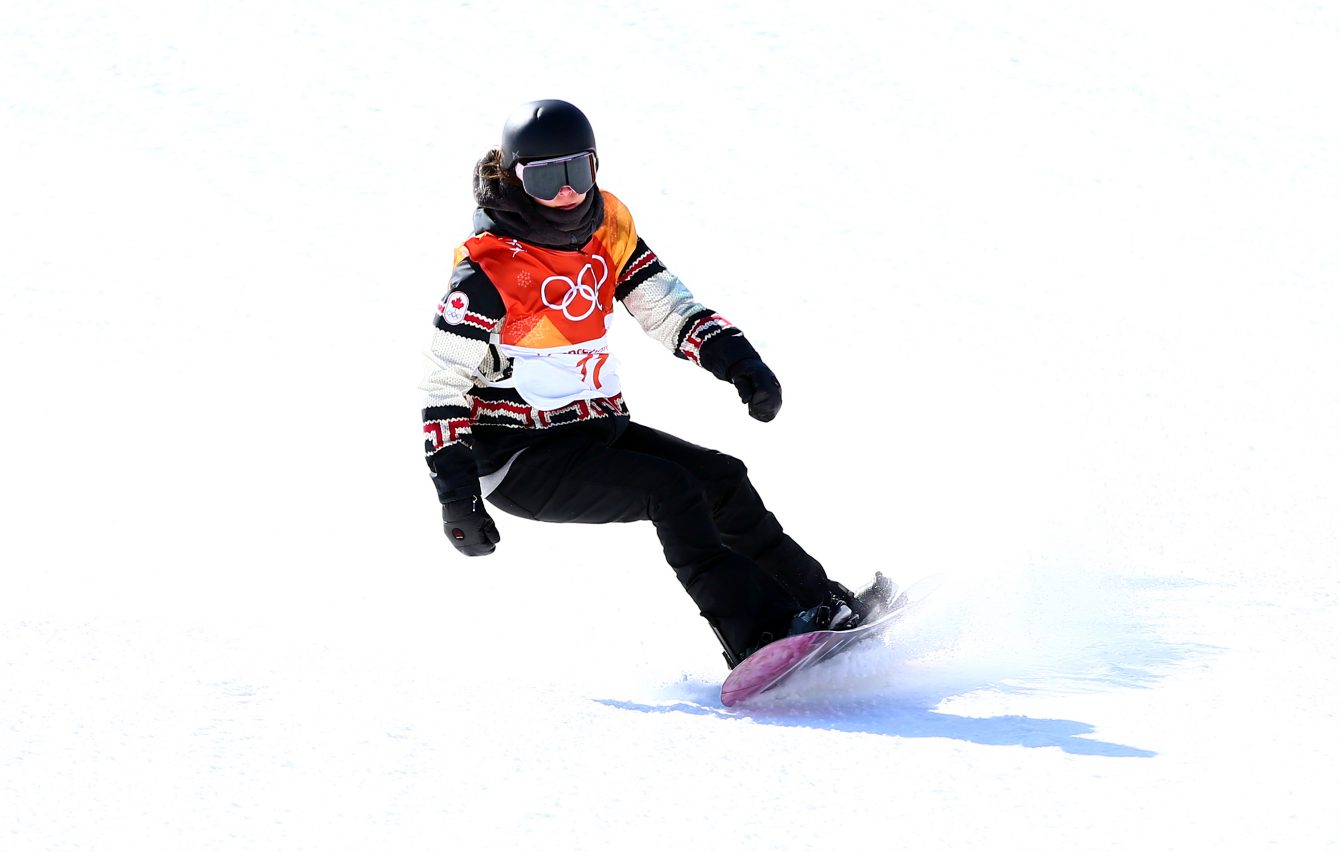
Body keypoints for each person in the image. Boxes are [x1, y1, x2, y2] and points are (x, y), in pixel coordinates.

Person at [421, 99, 895, 668]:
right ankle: (757, 635)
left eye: (577, 171)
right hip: (518, 458)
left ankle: (821, 605)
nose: (567, 191)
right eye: (546, 177)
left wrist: (741, 364)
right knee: (671, 490)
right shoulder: (487, 272)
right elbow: (443, 387)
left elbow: (668, 310)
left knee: (722, 477)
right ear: (517, 177)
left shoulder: (606, 230)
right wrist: (458, 498)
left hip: (592, 430)